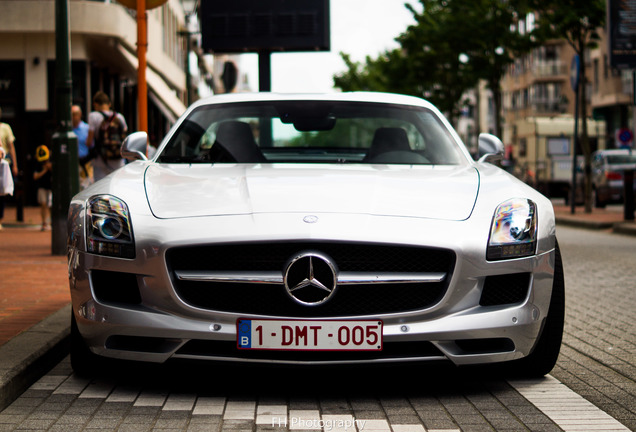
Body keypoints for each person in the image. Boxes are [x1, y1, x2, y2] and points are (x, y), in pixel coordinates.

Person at [86, 91, 128, 182]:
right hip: (118, 160)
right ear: (109, 104)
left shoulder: (93, 116)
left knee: (101, 189)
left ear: (95, 104)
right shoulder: (120, 117)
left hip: (100, 161)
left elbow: (89, 142)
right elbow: (125, 137)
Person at [0, 107, 18, 230]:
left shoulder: (5, 127)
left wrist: (15, 165)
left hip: (2, 163)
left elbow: (11, 147)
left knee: (1, 192)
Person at [72, 104, 92, 188]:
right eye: (71, 115)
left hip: (86, 163)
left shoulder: (87, 128)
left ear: (80, 114)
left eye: (75, 114)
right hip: (73, 164)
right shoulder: (69, 130)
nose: (73, 117)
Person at [33, 145, 52, 231]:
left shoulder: (51, 161)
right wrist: (44, 170)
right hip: (42, 186)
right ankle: (44, 223)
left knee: (51, 205)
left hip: (51, 186)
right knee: (43, 204)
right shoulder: (38, 163)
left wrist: (50, 167)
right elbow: (35, 176)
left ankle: (52, 222)